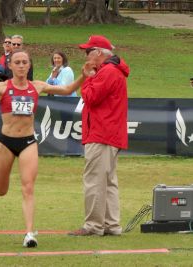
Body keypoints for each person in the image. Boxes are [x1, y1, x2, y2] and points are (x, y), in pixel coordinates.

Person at [0, 49, 85, 247]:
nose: (21, 66)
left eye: (24, 62)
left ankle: (29, 233)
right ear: (10, 65)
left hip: (28, 142)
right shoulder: (1, 87)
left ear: (29, 65)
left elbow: (67, 89)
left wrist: (83, 75)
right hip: (5, 142)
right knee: (1, 190)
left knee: (28, 187)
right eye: (17, 62)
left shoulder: (37, 86)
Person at [68, 35, 130, 237]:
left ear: (99, 53)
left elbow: (91, 97)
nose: (86, 55)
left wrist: (88, 77)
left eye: (88, 51)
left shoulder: (108, 72)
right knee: (108, 181)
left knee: (95, 180)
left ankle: (93, 226)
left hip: (102, 133)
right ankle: (112, 225)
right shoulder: (111, 71)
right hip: (109, 133)